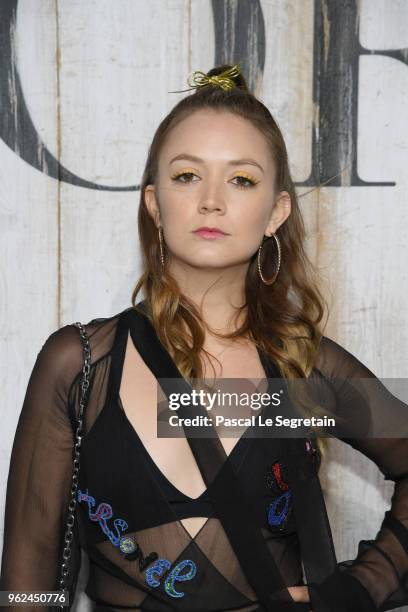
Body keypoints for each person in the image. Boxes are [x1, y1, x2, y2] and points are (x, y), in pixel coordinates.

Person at [0, 63, 407, 612]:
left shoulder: (307, 368)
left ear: (276, 212)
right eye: (187, 176)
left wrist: (362, 587)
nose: (211, 200)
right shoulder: (78, 365)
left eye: (242, 179)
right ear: (153, 203)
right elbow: (26, 587)